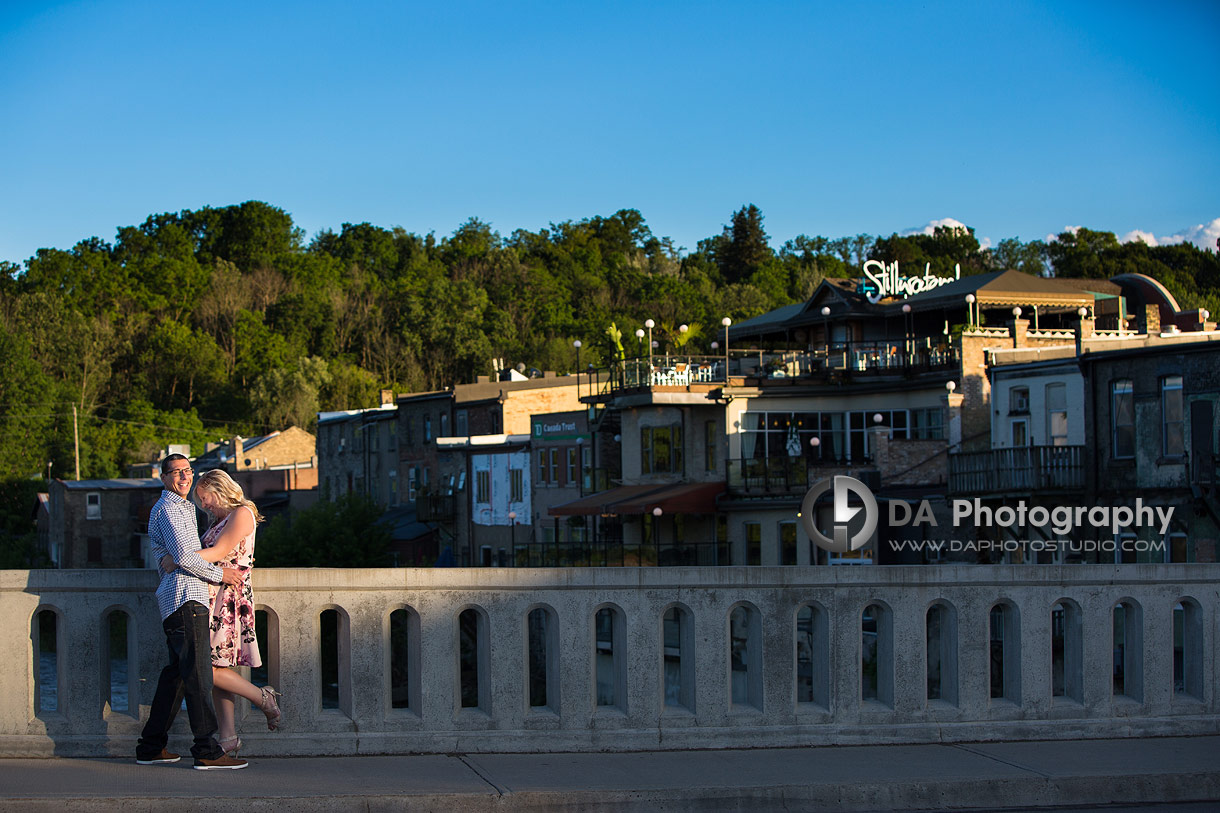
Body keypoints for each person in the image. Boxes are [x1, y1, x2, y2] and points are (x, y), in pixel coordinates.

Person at [136, 454, 248, 770]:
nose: (184, 477)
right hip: (185, 600)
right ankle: (207, 751)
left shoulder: (183, 508)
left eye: (188, 471)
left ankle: (150, 747)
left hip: (183, 600)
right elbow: (186, 557)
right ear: (164, 477)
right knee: (199, 678)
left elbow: (185, 555)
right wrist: (221, 574)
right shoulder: (170, 510)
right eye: (176, 472)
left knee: (177, 677)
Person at [163, 468, 282, 756]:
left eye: (205, 497)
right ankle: (228, 738)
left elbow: (220, 551)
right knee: (218, 666)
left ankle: (261, 697)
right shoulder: (221, 519)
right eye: (200, 500)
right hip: (214, 593)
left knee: (206, 666)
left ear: (220, 489)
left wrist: (177, 560)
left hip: (229, 597)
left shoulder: (241, 513)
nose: (204, 505)